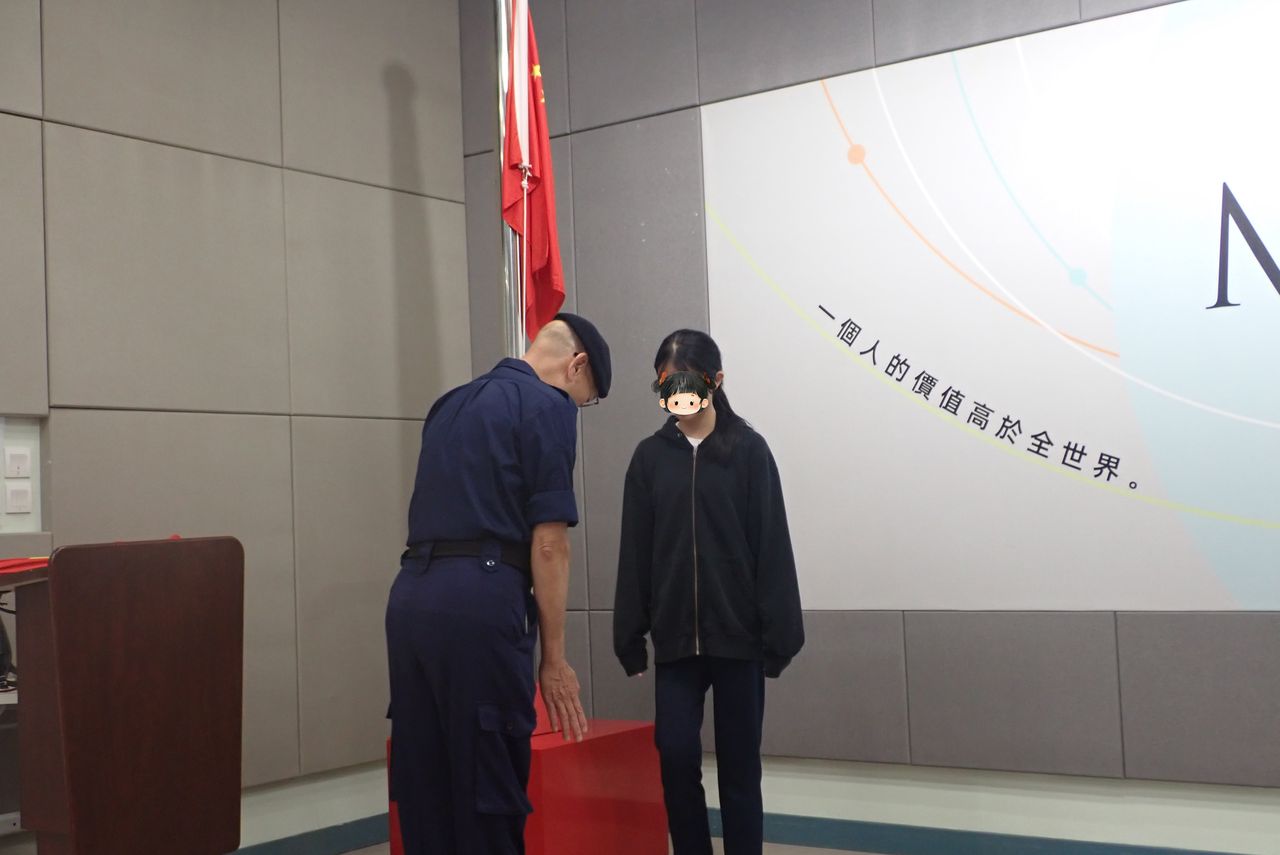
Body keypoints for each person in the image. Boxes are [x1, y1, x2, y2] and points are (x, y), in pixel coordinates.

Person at [387, 313, 611, 855]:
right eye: (585, 397)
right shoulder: (548, 405)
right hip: (479, 603)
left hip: (411, 598)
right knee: (487, 788)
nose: (577, 406)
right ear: (576, 365)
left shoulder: (448, 404)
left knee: (425, 786)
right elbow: (549, 543)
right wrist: (554, 660)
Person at [614, 329, 804, 855]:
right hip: (676, 641)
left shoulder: (749, 452)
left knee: (740, 769)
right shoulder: (649, 459)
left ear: (715, 381)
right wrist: (629, 637)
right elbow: (635, 553)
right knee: (675, 758)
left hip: (739, 640)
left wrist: (780, 638)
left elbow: (772, 546)